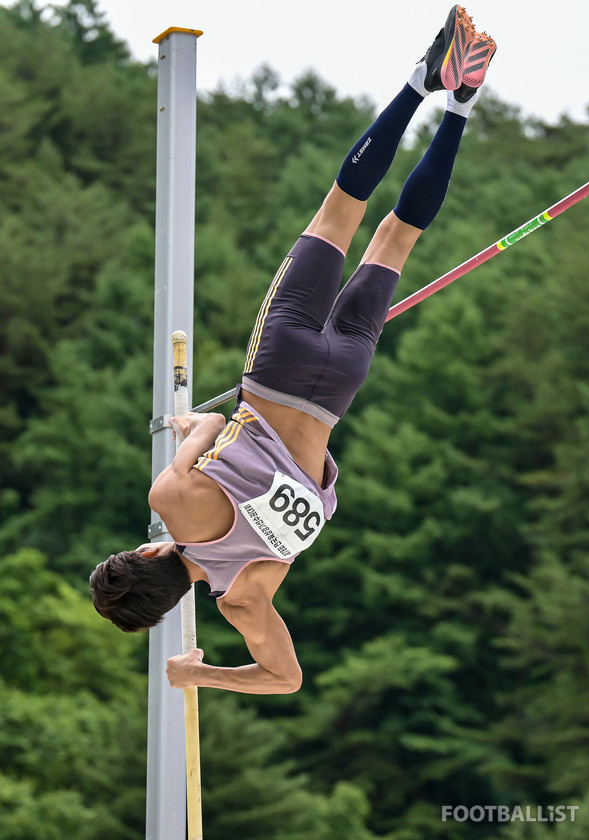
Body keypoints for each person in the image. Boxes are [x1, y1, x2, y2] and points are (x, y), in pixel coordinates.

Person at [90, 6, 496, 695]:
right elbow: (210, 423)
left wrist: (199, 674)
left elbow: (284, 679)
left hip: (337, 387)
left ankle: (461, 105)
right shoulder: (169, 497)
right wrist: (192, 429)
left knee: (397, 239)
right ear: (149, 552)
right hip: (278, 367)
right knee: (341, 210)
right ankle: (421, 83)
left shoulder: (246, 598)